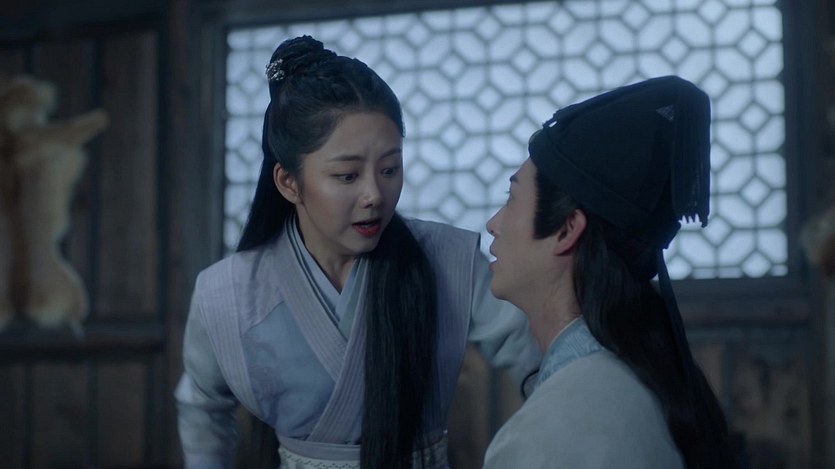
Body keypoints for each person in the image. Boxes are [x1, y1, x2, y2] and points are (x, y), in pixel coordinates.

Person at [174, 35, 539, 469]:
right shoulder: (226, 291)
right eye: (347, 176)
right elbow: (202, 404)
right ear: (289, 183)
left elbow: (539, 358)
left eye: (389, 169)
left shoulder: (447, 260)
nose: (374, 195)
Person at [481, 76, 736, 468]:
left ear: (567, 229)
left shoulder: (553, 433)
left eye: (512, 198)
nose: (493, 224)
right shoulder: (642, 380)